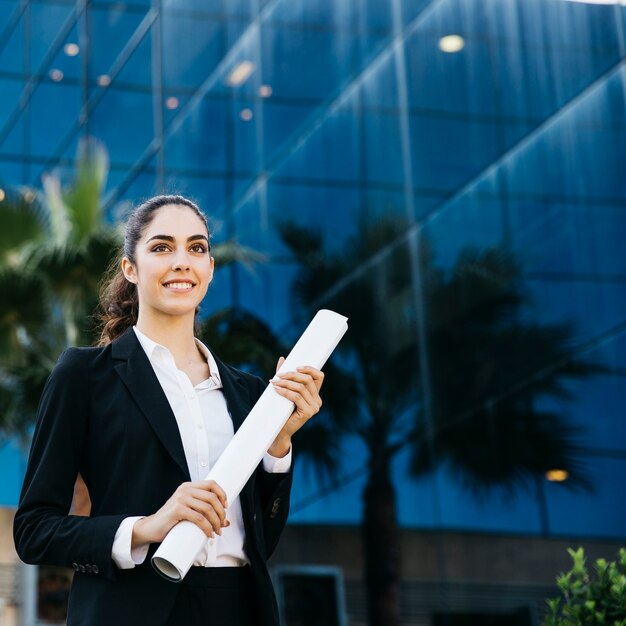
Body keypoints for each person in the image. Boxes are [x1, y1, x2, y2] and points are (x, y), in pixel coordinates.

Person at [13, 195, 325, 626]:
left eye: (196, 248)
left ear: (210, 269)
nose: (182, 261)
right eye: (162, 247)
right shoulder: (84, 375)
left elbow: (259, 542)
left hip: (238, 608)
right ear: (131, 269)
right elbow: (34, 531)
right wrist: (147, 527)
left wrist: (278, 443)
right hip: (129, 608)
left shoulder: (250, 392)